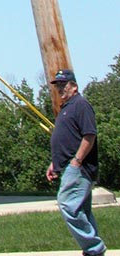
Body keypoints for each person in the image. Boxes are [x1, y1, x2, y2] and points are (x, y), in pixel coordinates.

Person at [46, 68, 106, 256]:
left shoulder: (81, 105)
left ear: (74, 87)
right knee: (82, 211)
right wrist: (54, 164)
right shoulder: (66, 108)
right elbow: (66, 139)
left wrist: (77, 161)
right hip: (67, 167)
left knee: (67, 205)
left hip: (79, 169)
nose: (60, 88)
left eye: (64, 85)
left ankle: (94, 248)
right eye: (58, 85)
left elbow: (89, 135)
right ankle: (93, 252)